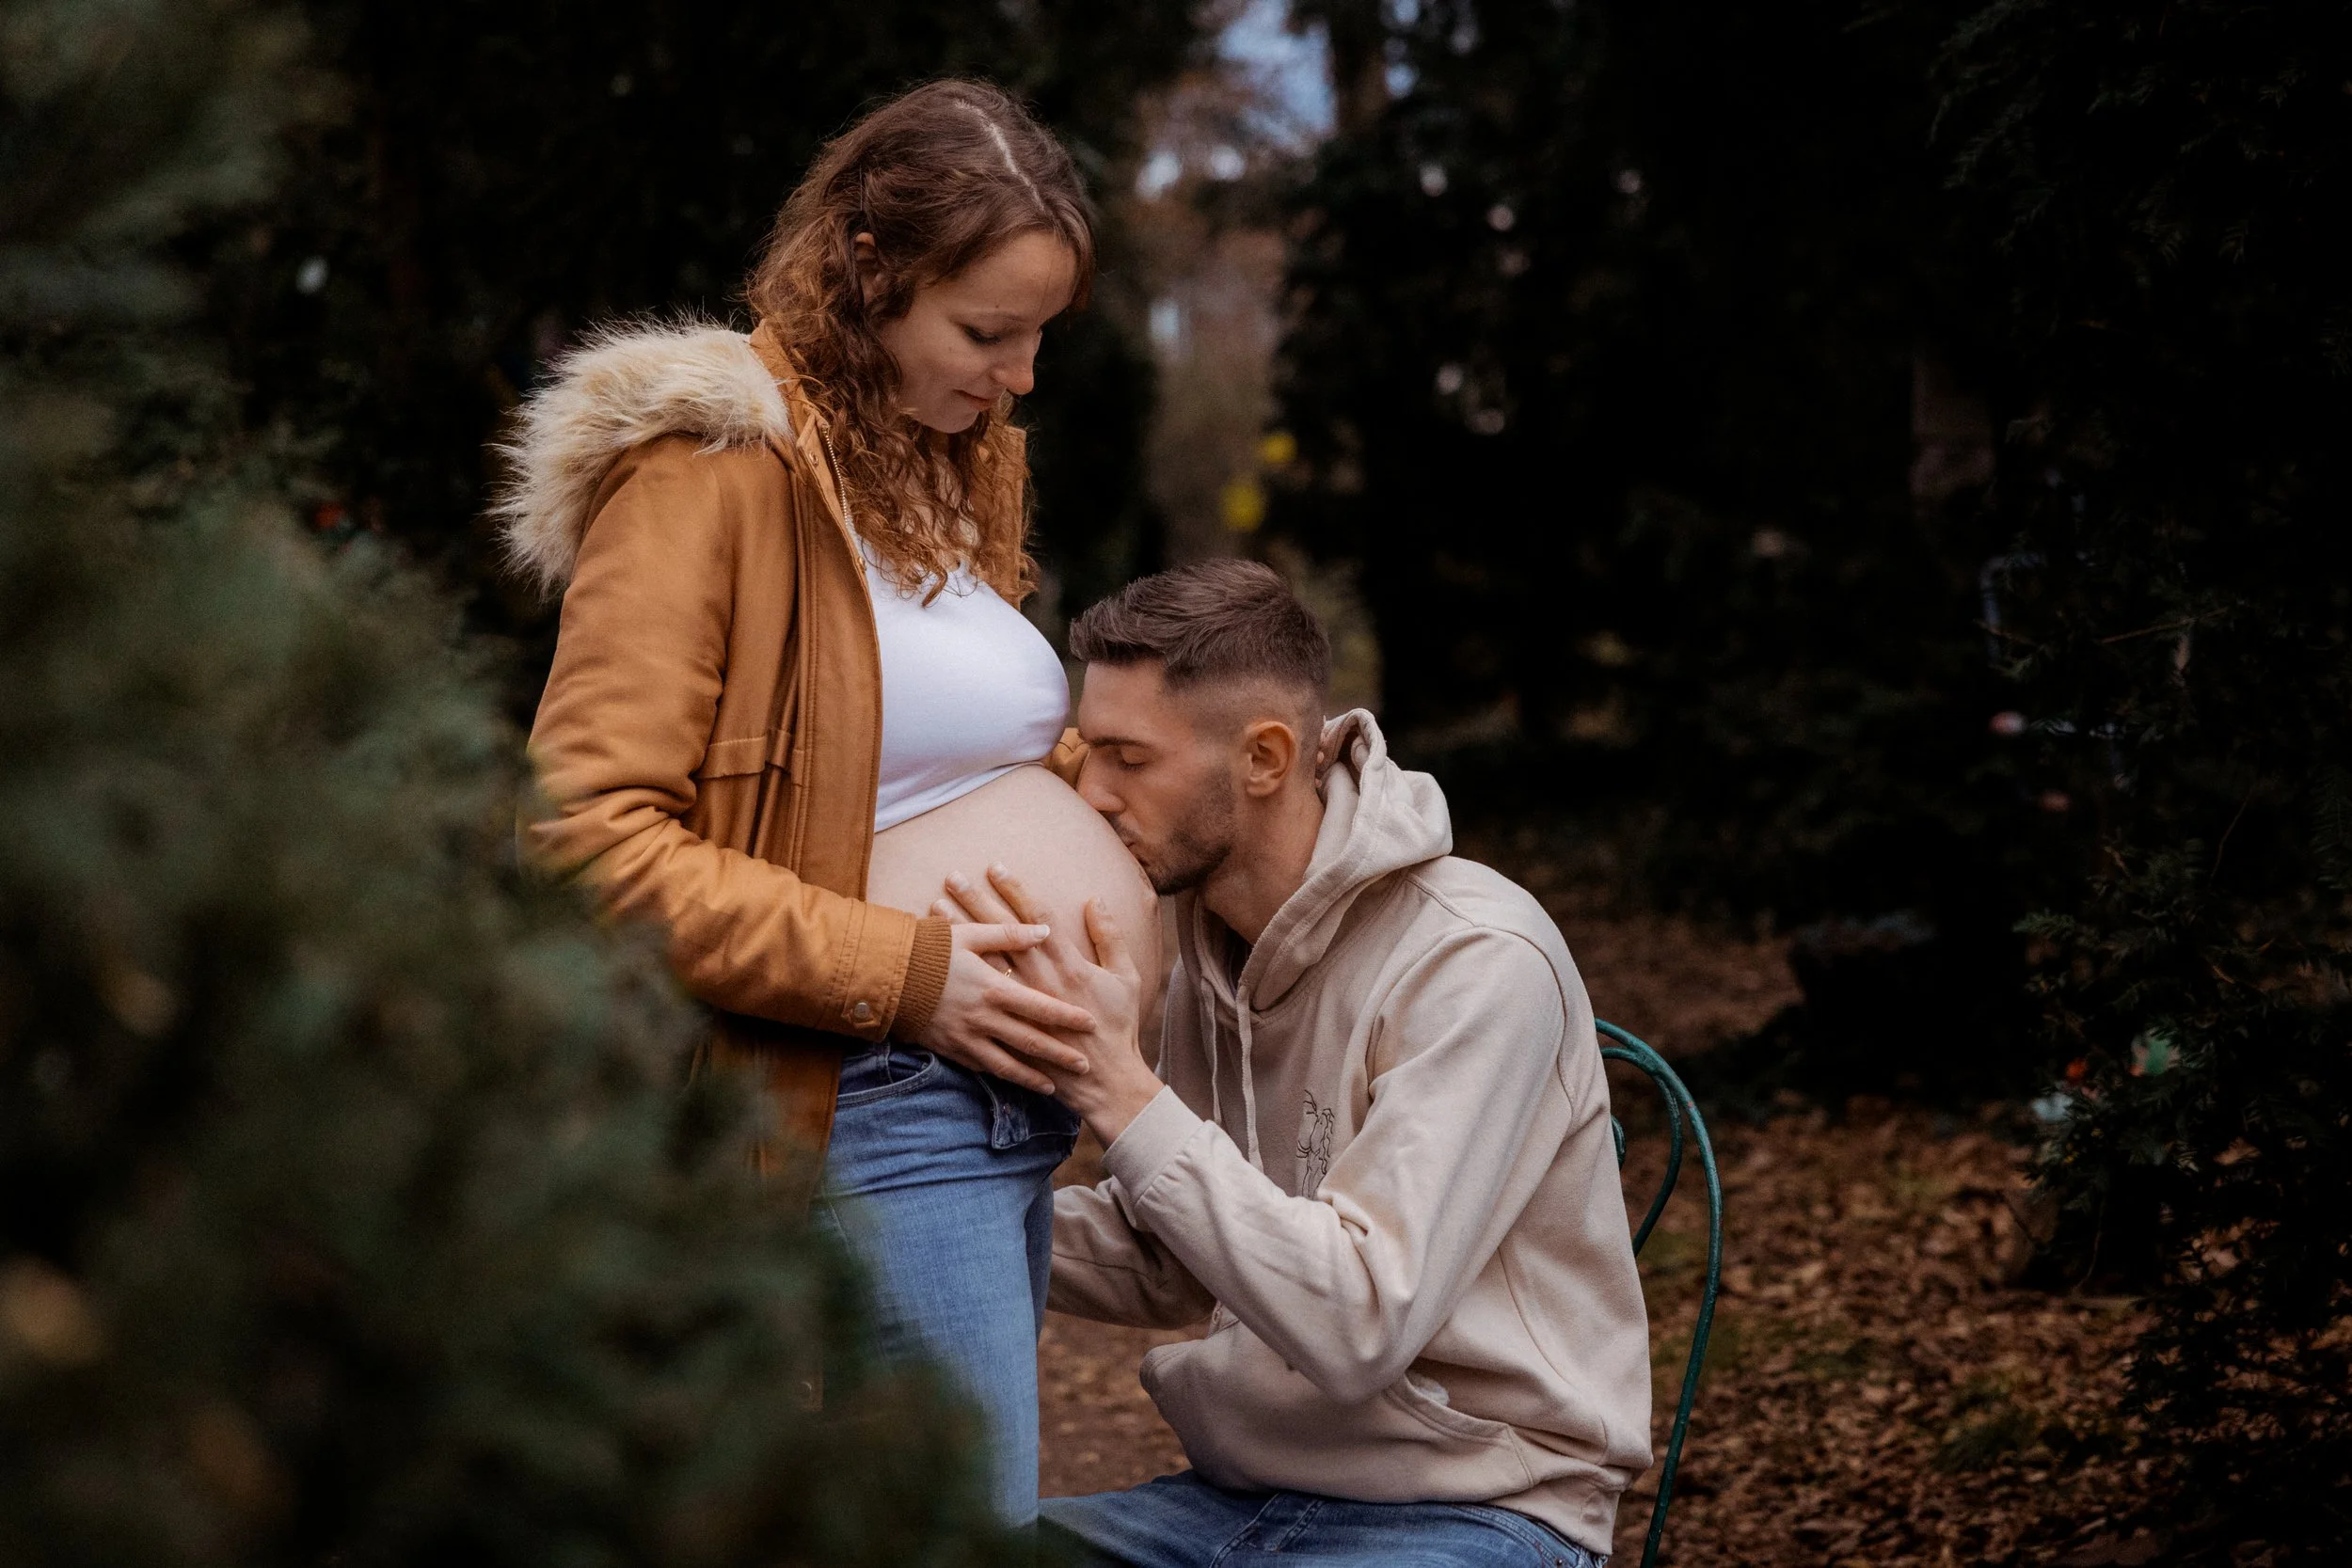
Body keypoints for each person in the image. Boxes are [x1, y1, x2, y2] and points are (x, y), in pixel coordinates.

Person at [495, 80, 1158, 1527]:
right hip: (857, 1102)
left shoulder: (940, 465)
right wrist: (912, 974)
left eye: (1039, 334)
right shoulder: (706, 471)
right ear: (868, 276)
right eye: (986, 333)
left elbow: (911, 767)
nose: (1022, 375)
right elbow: (587, 842)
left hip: (999, 1116)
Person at [935, 562, 1653, 1566]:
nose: (1089, 792)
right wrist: (928, 1213)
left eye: (1126, 756)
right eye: (1083, 750)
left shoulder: (1476, 959)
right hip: (1236, 1500)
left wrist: (1117, 1087)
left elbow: (1360, 1317)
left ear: (1266, 756)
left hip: (1476, 1510)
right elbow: (1173, 1251)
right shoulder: (1196, 945)